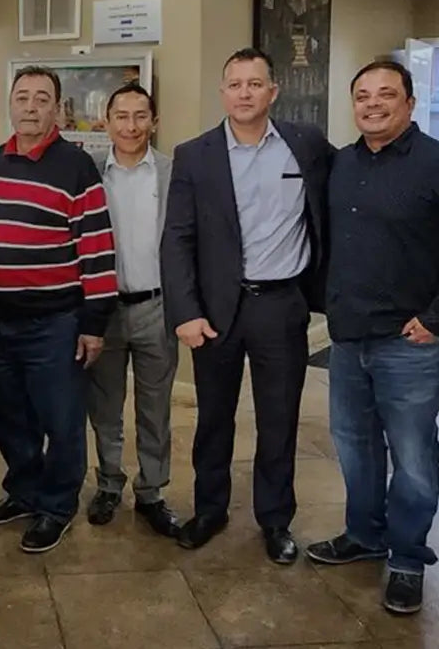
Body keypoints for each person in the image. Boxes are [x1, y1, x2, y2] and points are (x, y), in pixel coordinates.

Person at [307, 59, 439, 616]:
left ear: (410, 103)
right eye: (362, 95)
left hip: (408, 342)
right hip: (347, 339)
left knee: (412, 457)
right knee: (355, 446)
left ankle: (407, 558)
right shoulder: (340, 165)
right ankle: (363, 536)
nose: (373, 103)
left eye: (386, 94)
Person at [162, 47, 333, 564]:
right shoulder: (195, 155)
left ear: (272, 92)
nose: (244, 93)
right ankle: (210, 510)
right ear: (223, 92)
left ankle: (275, 520)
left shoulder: (307, 146)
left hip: (280, 306)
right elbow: (177, 239)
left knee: (278, 421)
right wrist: (185, 313)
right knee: (213, 419)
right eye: (234, 84)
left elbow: (330, 214)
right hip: (214, 311)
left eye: (254, 84)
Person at [0, 66, 116, 555]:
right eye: (22, 97)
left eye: (41, 99)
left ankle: (56, 506)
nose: (30, 107)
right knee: (8, 415)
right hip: (0, 322)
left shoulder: (77, 167)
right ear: (9, 104)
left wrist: (94, 325)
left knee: (61, 420)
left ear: (57, 109)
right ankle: (25, 491)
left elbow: (96, 250)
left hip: (56, 323)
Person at [83, 83, 181, 538]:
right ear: (106, 121)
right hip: (103, 309)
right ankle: (107, 483)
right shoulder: (88, 174)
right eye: (121, 116)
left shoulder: (172, 173)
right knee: (104, 406)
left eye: (140, 116)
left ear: (154, 121)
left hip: (156, 306)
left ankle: (152, 491)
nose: (131, 126)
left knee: (155, 405)